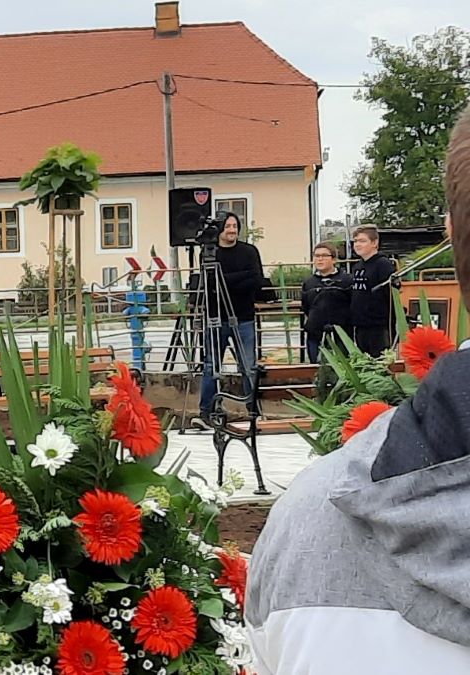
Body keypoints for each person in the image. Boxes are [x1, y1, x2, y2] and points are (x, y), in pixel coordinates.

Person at [245, 107, 470, 672]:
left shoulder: (305, 524)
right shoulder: (309, 516)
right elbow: (314, 305)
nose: (329, 260)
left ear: (452, 232)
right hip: (322, 334)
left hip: (368, 329)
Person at [193, 212, 265, 429]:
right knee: (210, 366)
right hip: (215, 316)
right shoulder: (209, 252)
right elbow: (209, 281)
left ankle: (254, 411)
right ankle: (207, 411)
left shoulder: (249, 251)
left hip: (243, 316)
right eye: (228, 226)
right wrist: (238, 278)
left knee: (248, 366)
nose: (232, 230)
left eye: (235, 225)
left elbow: (256, 279)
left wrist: (226, 279)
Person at [300, 241, 353, 363]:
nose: (320, 259)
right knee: (316, 368)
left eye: (324, 255)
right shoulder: (309, 283)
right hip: (315, 334)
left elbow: (353, 305)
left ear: (334, 259)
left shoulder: (347, 280)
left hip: (341, 335)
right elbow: (306, 307)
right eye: (317, 256)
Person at [348, 226, 397, 357]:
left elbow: (391, 294)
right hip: (360, 324)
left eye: (362, 241)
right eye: (356, 241)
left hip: (378, 326)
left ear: (374, 243)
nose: (357, 244)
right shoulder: (357, 267)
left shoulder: (383, 265)